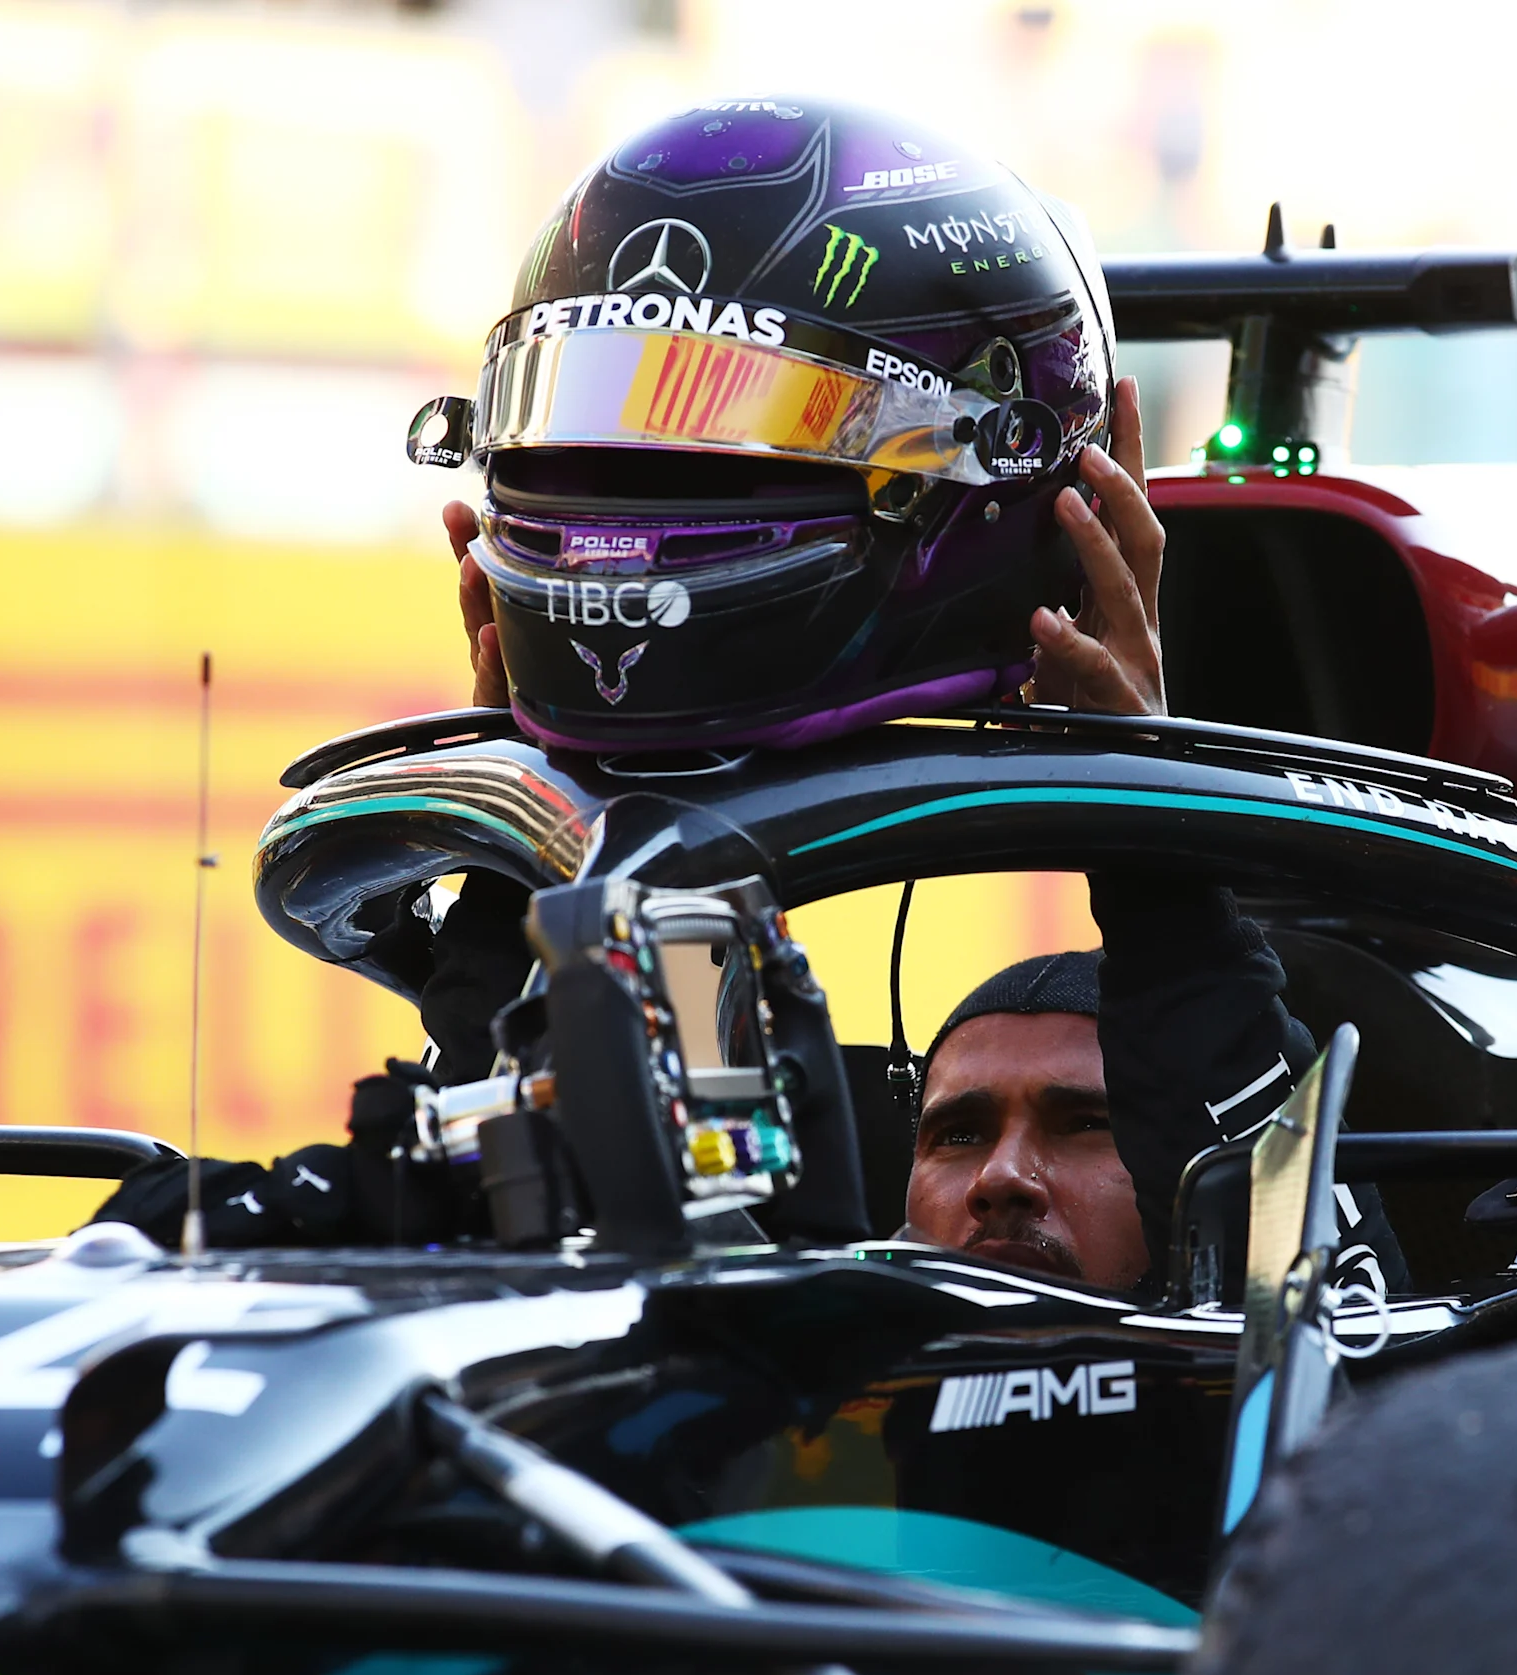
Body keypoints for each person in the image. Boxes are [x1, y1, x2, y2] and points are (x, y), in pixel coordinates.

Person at [101, 97, 1335, 1291]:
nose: (1002, 1179)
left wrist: (1152, 845)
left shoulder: (1253, 1352)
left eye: (1085, 1123)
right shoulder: (782, 1336)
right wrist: (525, 819)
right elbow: (505, 1218)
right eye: (952, 1132)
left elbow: (1295, 1266)